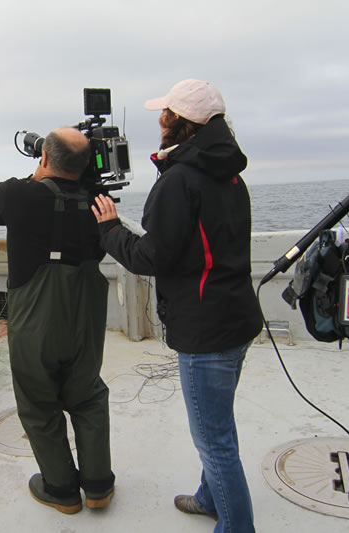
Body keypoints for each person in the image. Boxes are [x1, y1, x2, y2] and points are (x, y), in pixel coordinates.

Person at [92, 79, 261, 532]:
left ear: (182, 124)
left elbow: (152, 257)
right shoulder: (229, 172)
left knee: (214, 441)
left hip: (207, 330)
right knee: (219, 425)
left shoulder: (180, 180)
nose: (160, 121)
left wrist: (110, 230)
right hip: (236, 317)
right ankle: (211, 498)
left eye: (165, 113)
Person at [0, 127, 114, 514]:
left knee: (39, 401)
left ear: (43, 158)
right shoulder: (99, 199)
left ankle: (61, 490)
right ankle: (99, 487)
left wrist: (35, 176)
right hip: (86, 315)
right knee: (87, 395)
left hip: (36, 316)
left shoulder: (21, 194)